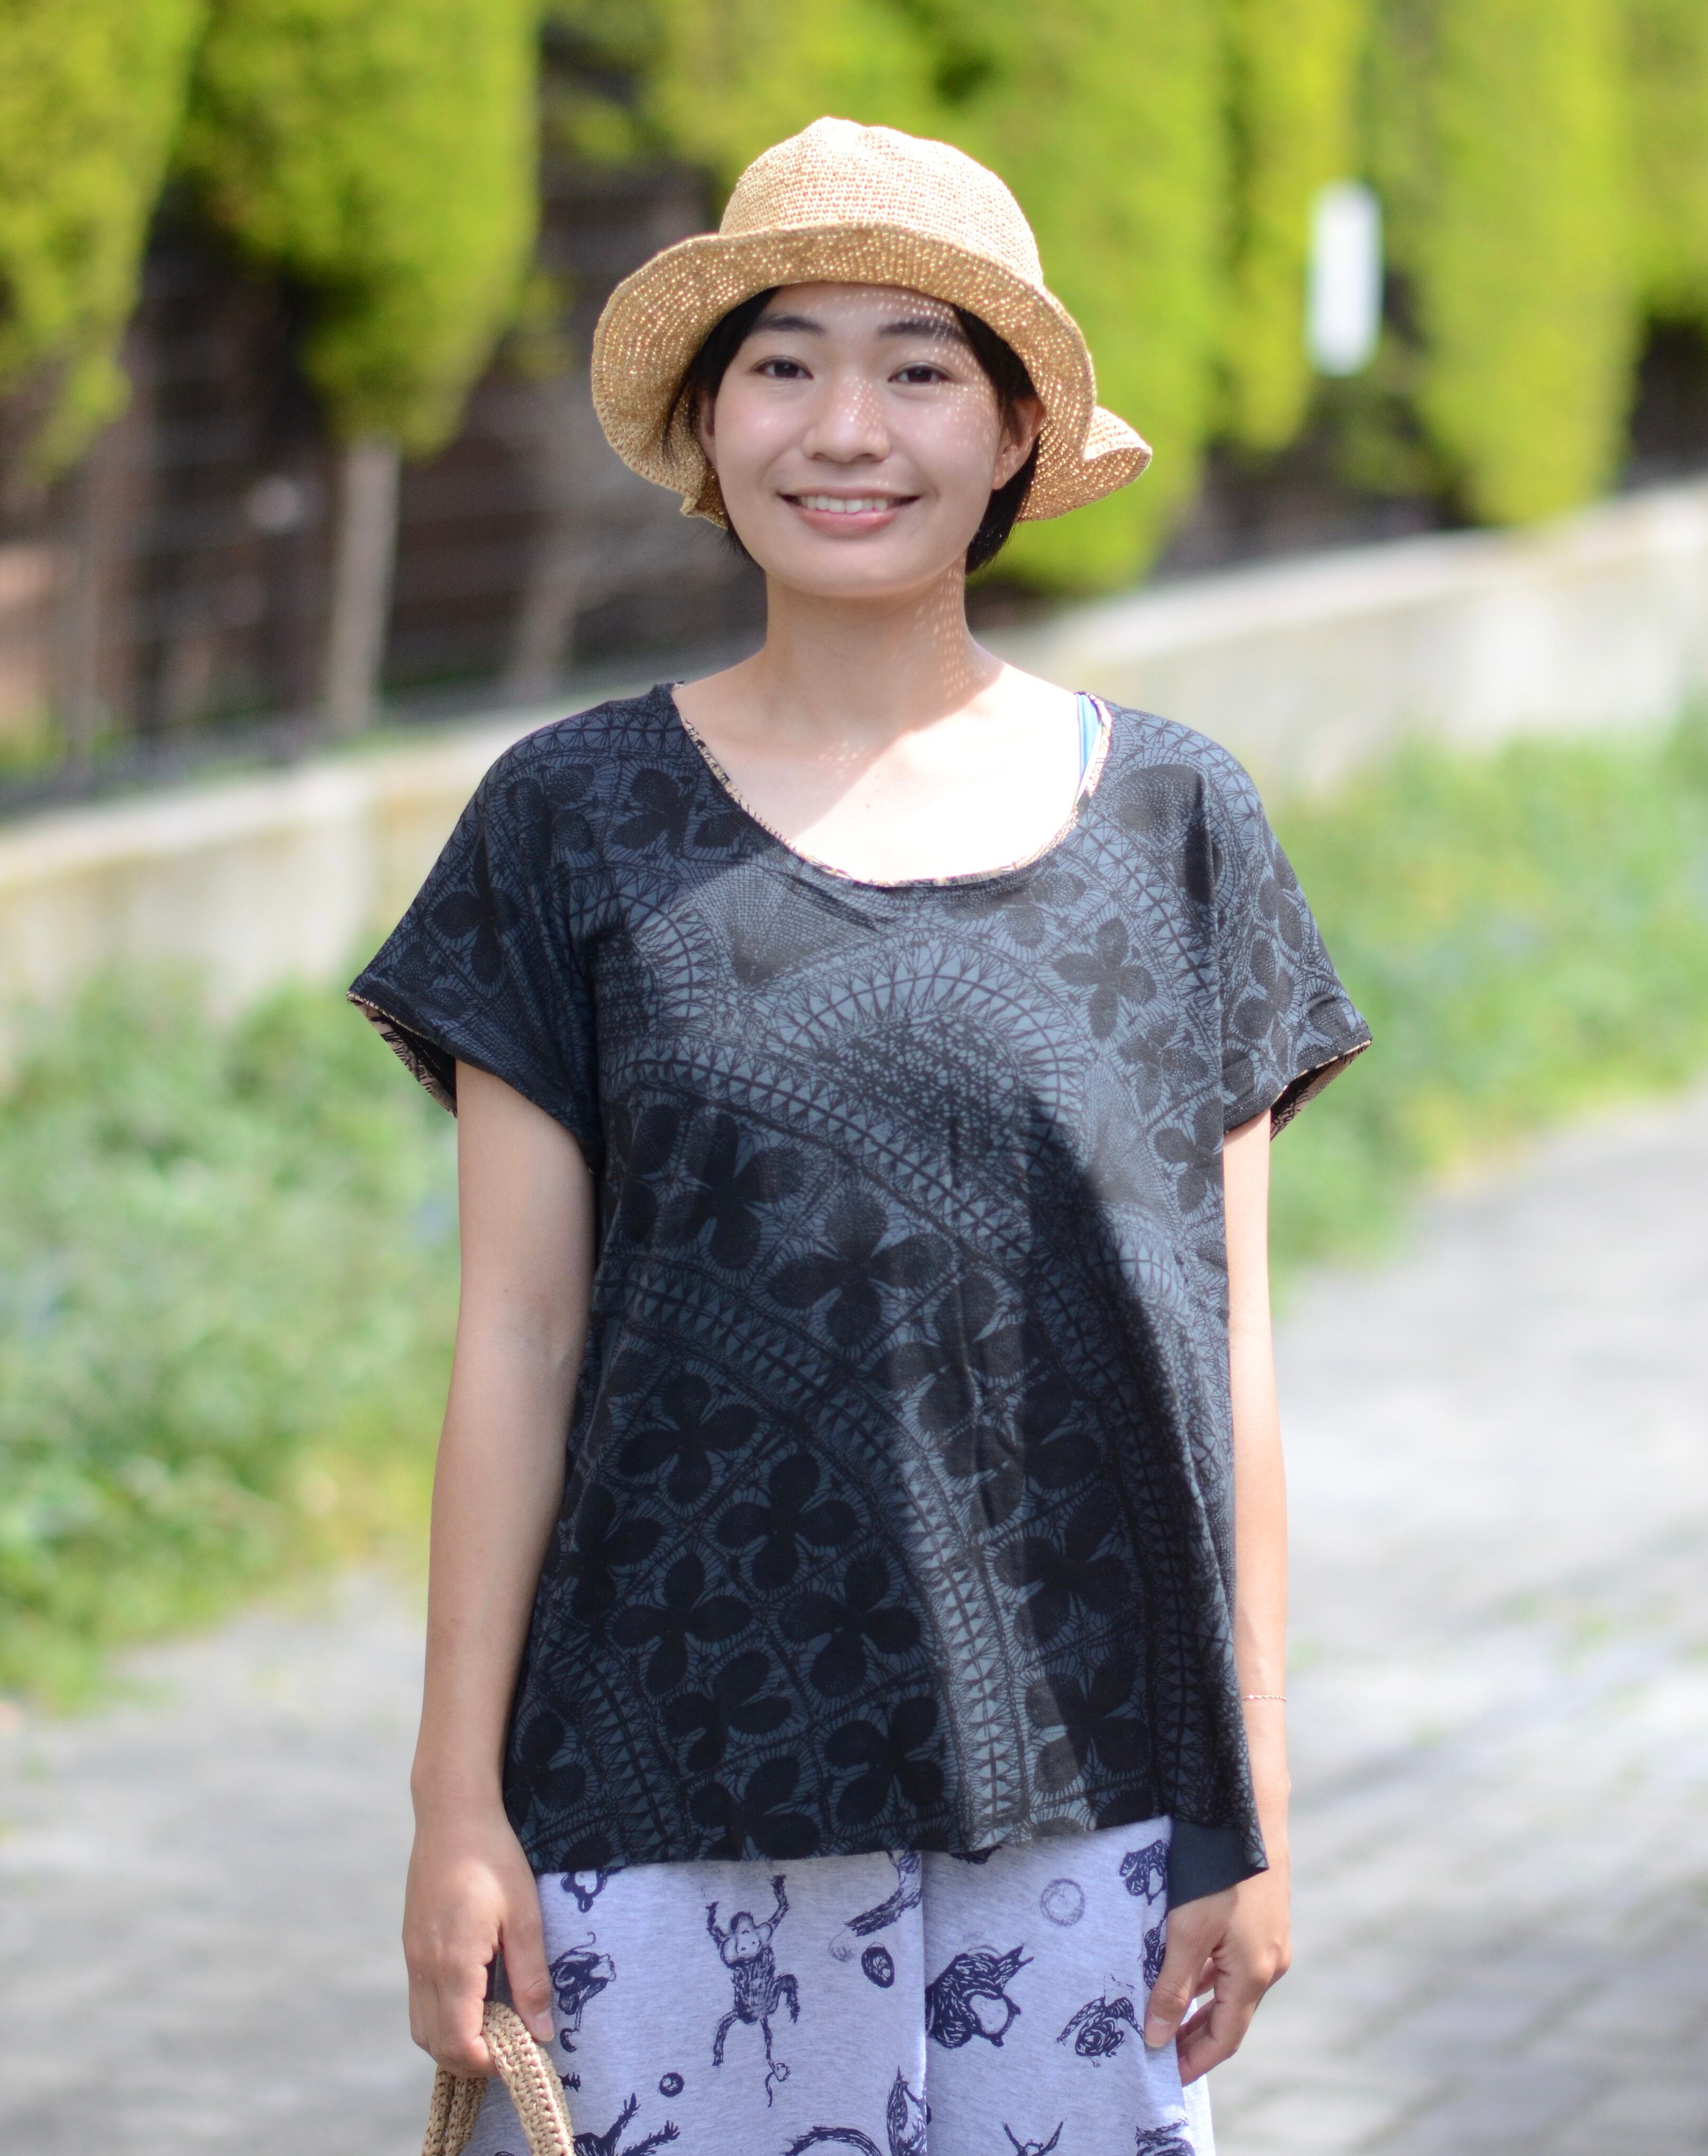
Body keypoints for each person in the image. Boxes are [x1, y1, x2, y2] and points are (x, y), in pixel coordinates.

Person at [352, 117, 1370, 2156]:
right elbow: (517, 1343)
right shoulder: (567, 823)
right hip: (662, 1787)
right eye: (783, 364)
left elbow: (1230, 1354)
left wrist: (1252, 1803)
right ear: (708, 425)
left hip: (1091, 1801)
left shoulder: (1178, 825)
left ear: (1013, 435)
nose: (846, 429)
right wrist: (456, 1806)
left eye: (918, 368)